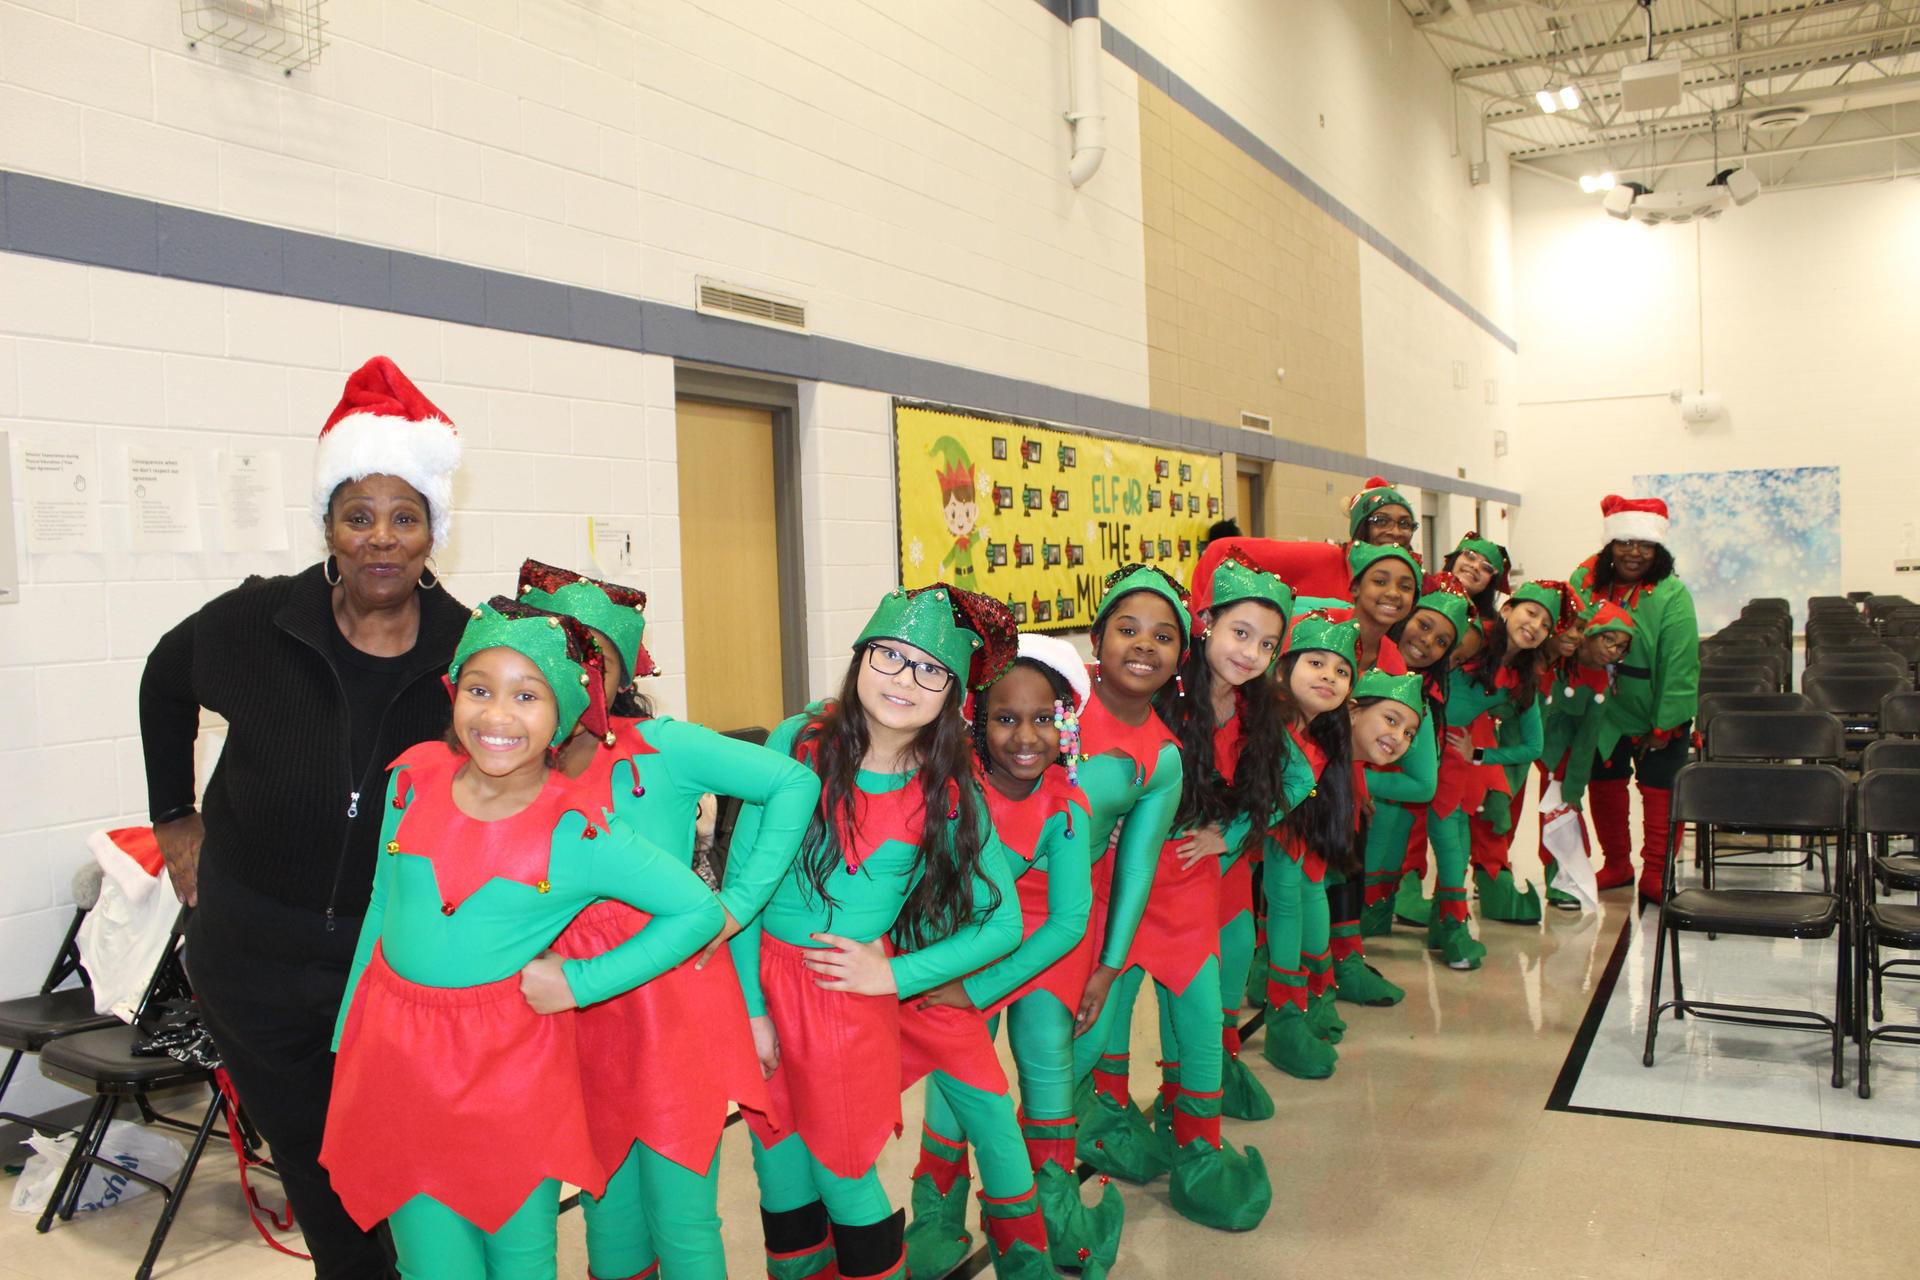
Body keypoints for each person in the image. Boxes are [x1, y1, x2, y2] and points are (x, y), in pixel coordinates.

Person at [137, 356, 465, 1279]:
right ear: (328, 525)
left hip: (391, 967)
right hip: (253, 963)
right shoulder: (258, 623)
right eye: (358, 516)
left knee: (403, 1176)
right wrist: (173, 816)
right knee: (324, 1178)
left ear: (433, 531)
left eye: (405, 517)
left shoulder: (466, 652)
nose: (381, 539)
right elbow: (164, 679)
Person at [321, 599, 723, 1277]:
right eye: (479, 690)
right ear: (453, 695)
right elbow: (381, 905)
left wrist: (580, 983)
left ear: (564, 715)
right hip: (399, 1066)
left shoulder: (577, 829)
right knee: (431, 1261)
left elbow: (695, 912)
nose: (498, 715)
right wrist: (347, 1041)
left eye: (527, 696)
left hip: (511, 1075)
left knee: (520, 1258)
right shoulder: (412, 782)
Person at [520, 560, 821, 1280]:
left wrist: (738, 905)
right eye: (554, 649)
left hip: (669, 1012)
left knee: (682, 1214)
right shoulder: (515, 764)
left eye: (592, 656)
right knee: (606, 1212)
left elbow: (793, 780)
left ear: (623, 674)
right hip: (566, 1012)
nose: (573, 671)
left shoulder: (666, 747)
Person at [729, 584, 1025, 1280]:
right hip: (760, 982)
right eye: (889, 655)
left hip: (844, 1003)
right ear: (861, 656)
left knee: (843, 1169)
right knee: (777, 1163)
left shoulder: (947, 790)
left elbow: (1003, 923)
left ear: (952, 695)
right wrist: (749, 1009)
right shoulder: (797, 741)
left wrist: (892, 974)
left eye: (930, 670)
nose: (904, 679)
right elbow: (742, 887)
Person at [906, 633, 1122, 1279]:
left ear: (1066, 724)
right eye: (1006, 718)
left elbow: (1069, 922)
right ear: (977, 721)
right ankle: (936, 1216)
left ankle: (1053, 1214)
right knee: (955, 1085)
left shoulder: (1067, 805)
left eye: (1044, 718)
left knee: (1048, 1071)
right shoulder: (953, 790)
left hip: (1046, 957)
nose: (1027, 737)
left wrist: (976, 989)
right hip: (968, 951)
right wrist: (956, 979)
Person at [1088, 552, 1284, 1230]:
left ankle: (1198, 1145)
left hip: (1192, 891)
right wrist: (1107, 820)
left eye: (1267, 644)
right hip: (1117, 889)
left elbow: (1298, 784)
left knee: (1199, 1021)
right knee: (1106, 1016)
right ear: (1206, 625)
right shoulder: (1156, 691)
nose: (1250, 652)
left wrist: (1230, 836)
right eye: (1240, 633)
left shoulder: (1262, 714)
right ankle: (1105, 1120)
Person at [1066, 568, 1187, 1184]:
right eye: (1128, 628)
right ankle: (940, 1202)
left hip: (1072, 922)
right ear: (1097, 638)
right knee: (964, 1064)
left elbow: (1137, 866)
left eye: (1163, 636)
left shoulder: (1163, 757)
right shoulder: (1048, 696)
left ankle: (1038, 1196)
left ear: (1180, 659)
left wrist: (1109, 968)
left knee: (1073, 1056)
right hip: (986, 908)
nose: (1144, 644)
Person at [1568, 496, 1700, 905]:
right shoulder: (1589, 583)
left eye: (1644, 544)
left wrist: (1666, 723)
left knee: (1660, 790)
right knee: (1604, 786)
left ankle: (1657, 871)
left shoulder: (1672, 594)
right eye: (1625, 542)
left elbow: (1680, 663)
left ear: (1658, 548)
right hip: (1601, 711)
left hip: (1655, 712)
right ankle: (1617, 863)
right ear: (1610, 544)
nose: (1634, 553)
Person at [1426, 582, 1561, 969]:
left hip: (1452, 766)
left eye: (1545, 624)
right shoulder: (1473, 638)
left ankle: (1446, 931)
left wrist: (1481, 754)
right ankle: (1447, 933)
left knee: (1455, 849)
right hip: (1414, 745)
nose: (1535, 626)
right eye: (1531, 613)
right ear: (1507, 609)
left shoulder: (1522, 676)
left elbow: (1533, 746)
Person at [1259, 613, 1360, 1079]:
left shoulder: (1320, 736)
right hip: (1231, 848)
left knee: (1309, 885)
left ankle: (1313, 999)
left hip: (1290, 834)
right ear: (1282, 670)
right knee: (1287, 897)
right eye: (1316, 663)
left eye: (1341, 671)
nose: (1329, 676)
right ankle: (1285, 1017)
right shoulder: (1270, 728)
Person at [1358, 583, 1472, 936]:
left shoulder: (1421, 699)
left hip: (1375, 811)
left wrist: (1351, 780)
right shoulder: (1353, 660)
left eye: (1441, 642)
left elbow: (1424, 785)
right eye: (1424, 625)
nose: (1426, 641)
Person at [1534, 601, 1638, 909]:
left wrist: (1574, 785)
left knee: (1560, 811)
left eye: (1621, 647)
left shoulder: (1600, 682)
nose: (1613, 651)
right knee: (1499, 808)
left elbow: (1587, 738)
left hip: (1558, 757)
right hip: (1521, 737)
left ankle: (1561, 878)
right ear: (1590, 634)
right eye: (1608, 639)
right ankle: (1490, 870)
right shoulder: (1557, 658)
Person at [1190, 476, 1419, 603]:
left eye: (1405, 523)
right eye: (1381, 521)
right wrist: (1206, 625)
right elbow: (1223, 550)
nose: (1395, 531)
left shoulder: (1409, 581)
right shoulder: (1325, 559)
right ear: (1360, 526)